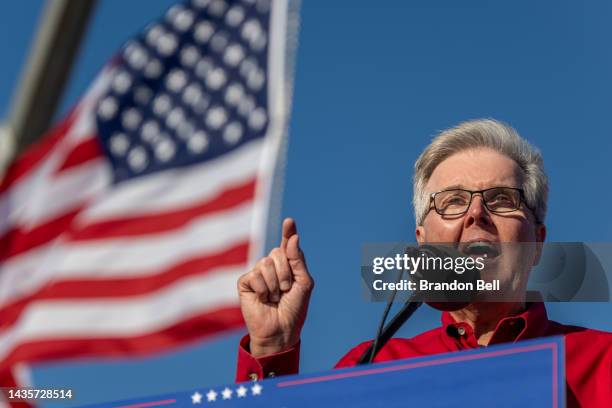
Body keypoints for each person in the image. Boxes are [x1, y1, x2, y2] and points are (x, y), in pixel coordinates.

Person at [235, 119, 612, 407]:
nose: (476, 213)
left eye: (500, 199)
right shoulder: (370, 366)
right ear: (424, 241)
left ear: (537, 244)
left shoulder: (602, 362)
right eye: (451, 201)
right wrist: (273, 349)